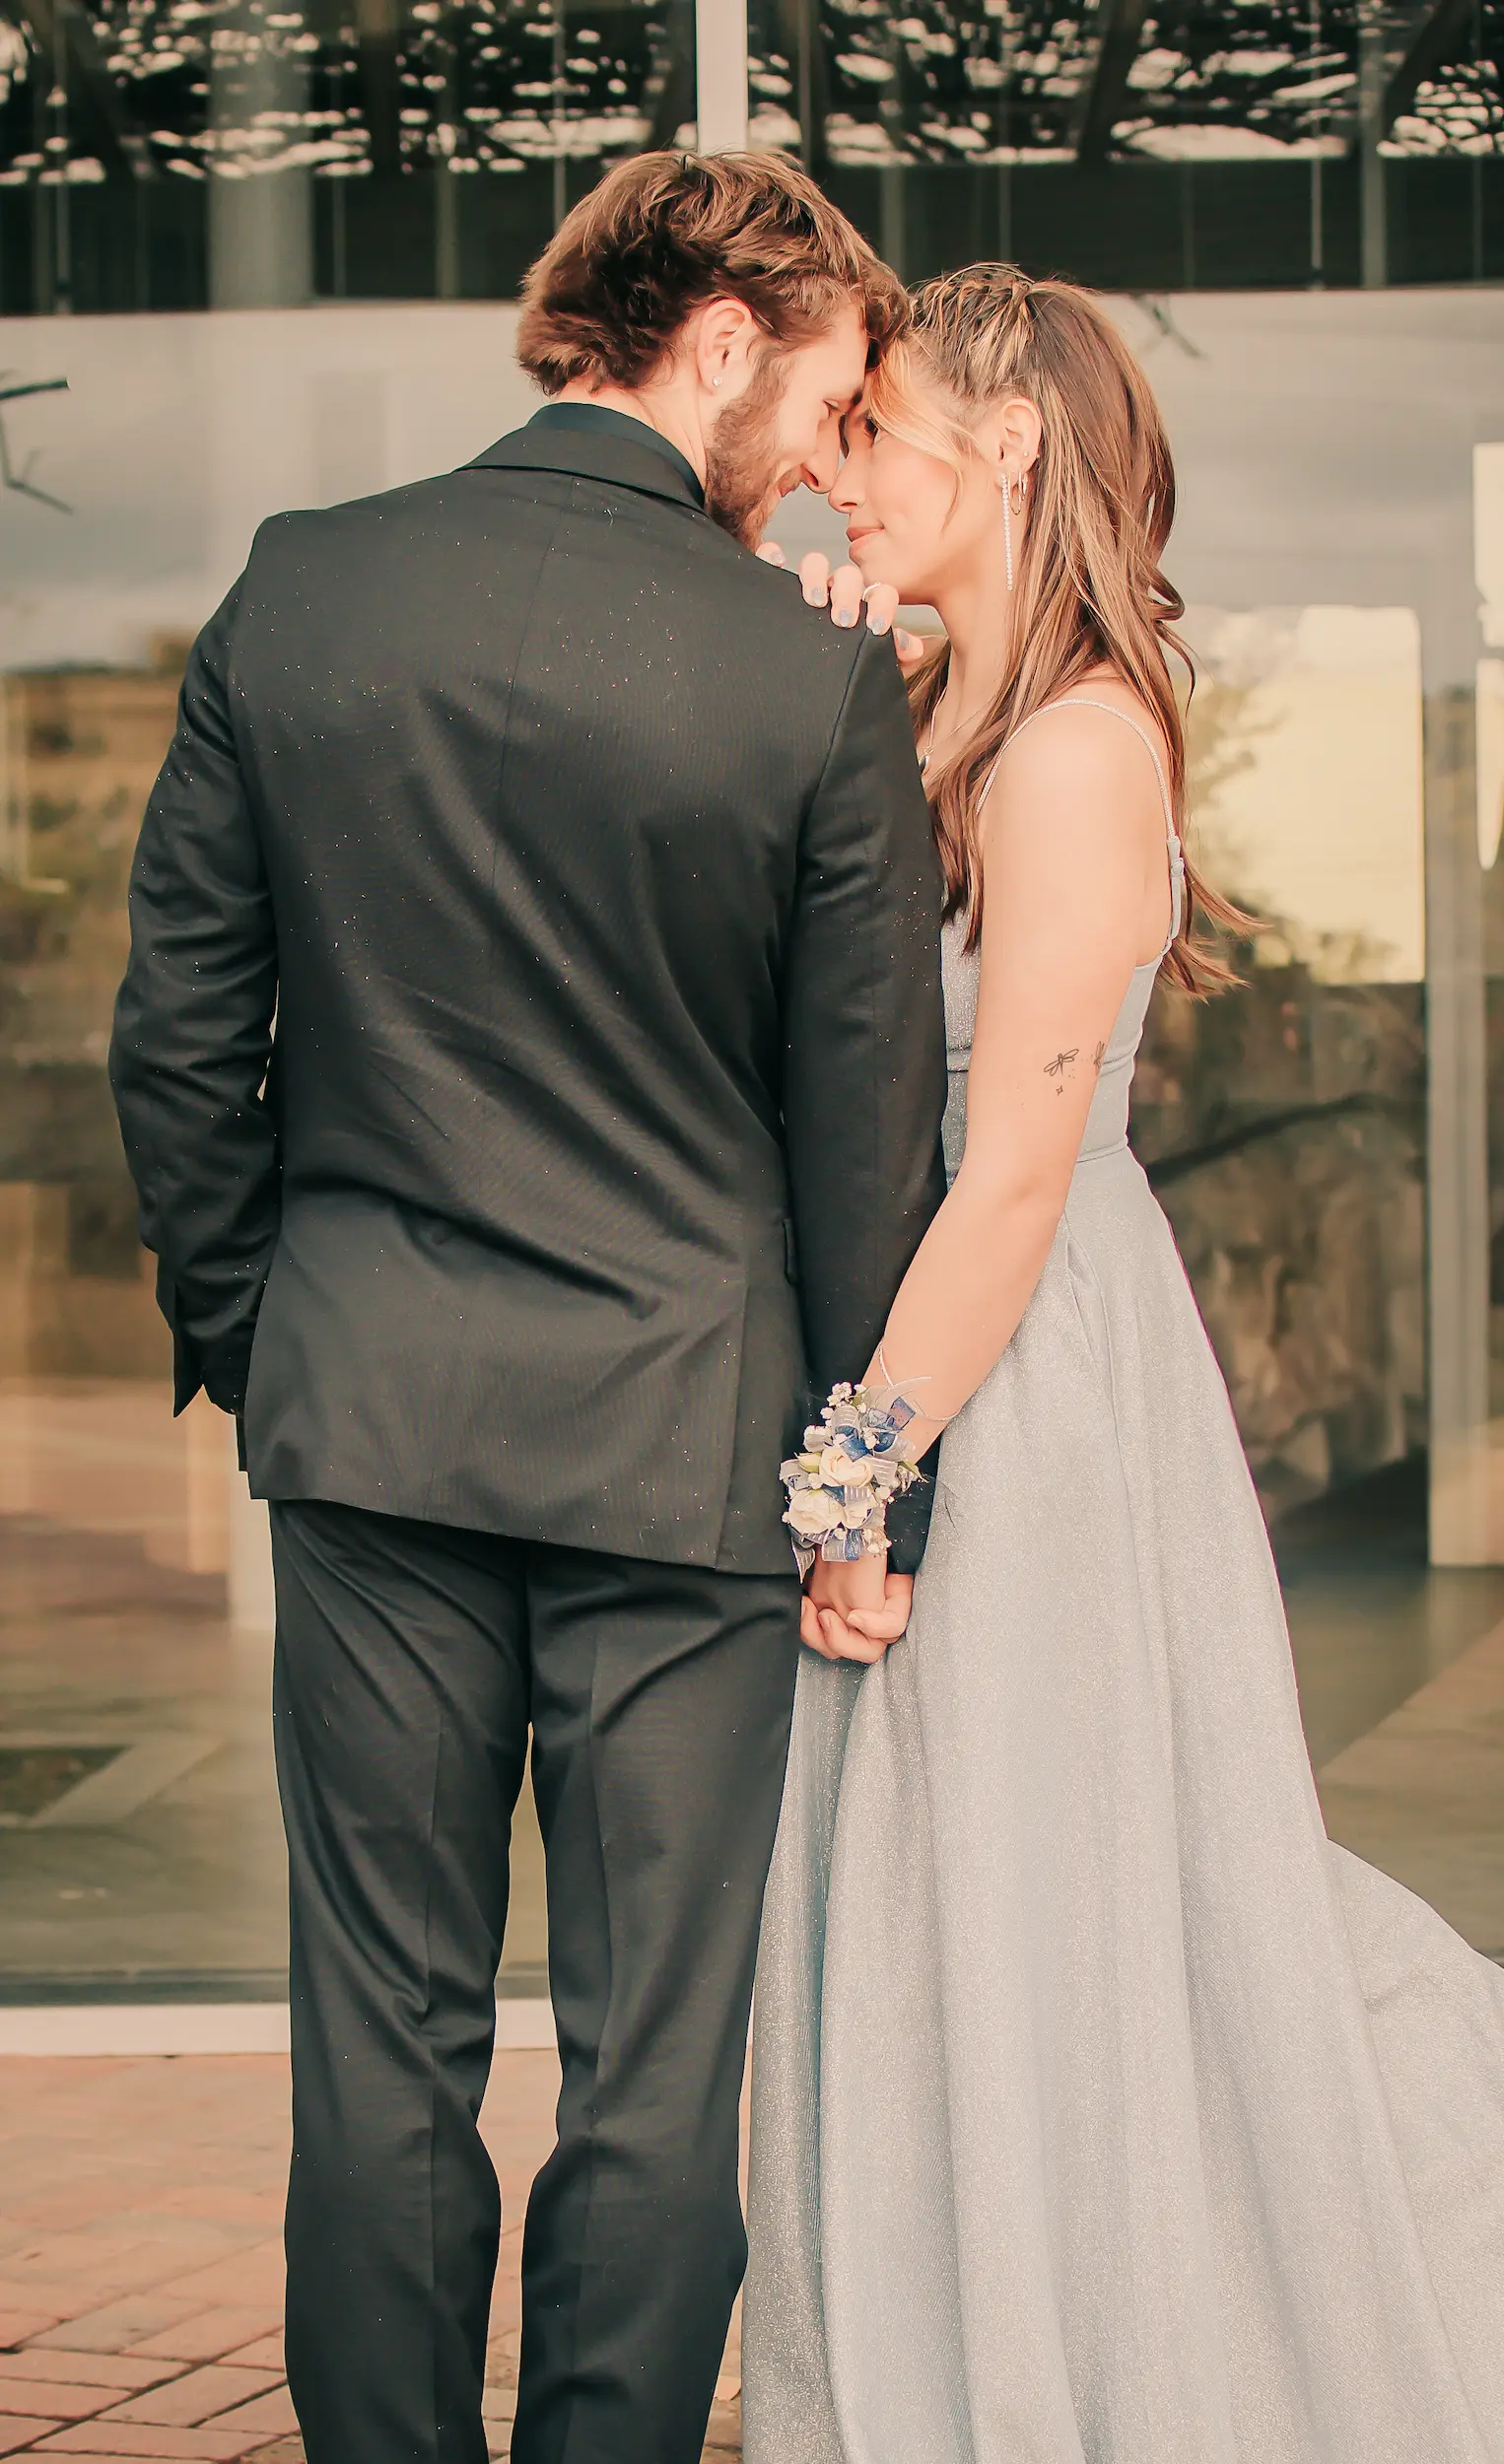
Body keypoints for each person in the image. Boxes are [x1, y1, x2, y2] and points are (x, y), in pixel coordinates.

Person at [746, 264, 1504, 2464]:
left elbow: (1012, 1174)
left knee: (1103, 1896)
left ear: (1000, 445)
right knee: (951, 1898)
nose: (844, 465)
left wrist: (856, 1470)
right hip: (916, 1361)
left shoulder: (1082, 737)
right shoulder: (908, 714)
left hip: (1024, 1380)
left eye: (878, 425)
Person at [107, 152, 946, 2464]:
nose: (832, 451)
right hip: (690, 1453)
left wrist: (278, 1333)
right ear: (718, 339)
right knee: (658, 2062)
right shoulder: (805, 679)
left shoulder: (306, 595)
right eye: (830, 393)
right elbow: (863, 1141)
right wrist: (863, 1476)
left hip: (371, 1417)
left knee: (377, 2037)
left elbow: (180, 1043)